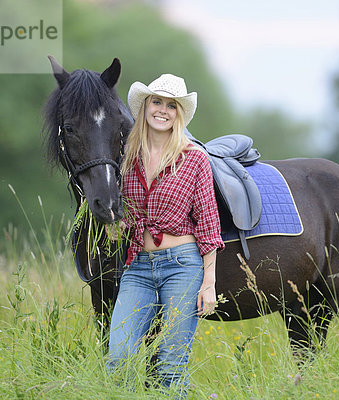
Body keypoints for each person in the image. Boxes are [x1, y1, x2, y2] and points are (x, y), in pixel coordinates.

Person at [107, 73, 224, 396]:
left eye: (171, 105)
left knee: (171, 364)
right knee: (119, 356)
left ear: (179, 113)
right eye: (156, 102)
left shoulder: (194, 158)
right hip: (138, 267)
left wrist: (209, 282)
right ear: (144, 107)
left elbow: (208, 223)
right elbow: (119, 210)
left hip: (182, 265)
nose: (162, 110)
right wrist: (115, 225)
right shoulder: (126, 157)